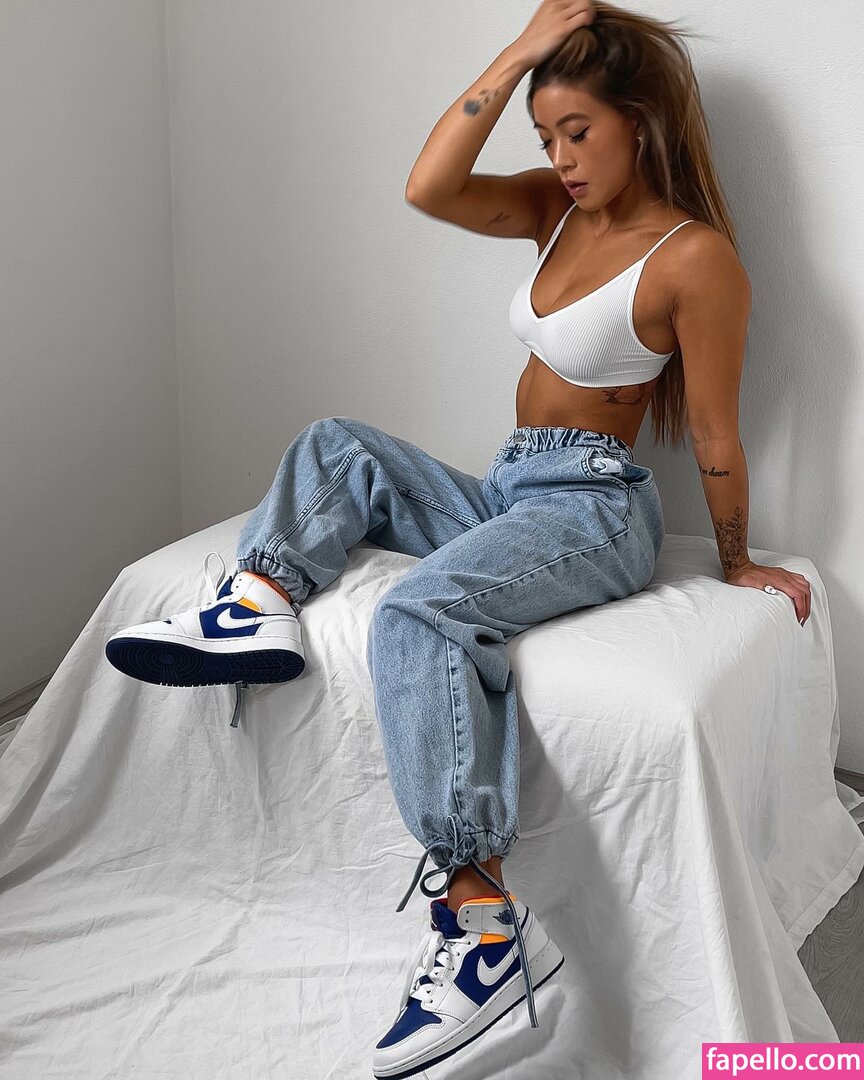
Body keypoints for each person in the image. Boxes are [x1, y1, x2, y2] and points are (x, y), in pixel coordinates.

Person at [105, 2, 813, 1075]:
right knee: (337, 444)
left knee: (420, 610)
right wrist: (518, 54)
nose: (561, 156)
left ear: (640, 120)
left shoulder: (694, 257)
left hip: (593, 506)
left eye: (579, 130)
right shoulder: (554, 212)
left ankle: (482, 920)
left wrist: (738, 559)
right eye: (546, 135)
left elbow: (715, 430)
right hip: (513, 483)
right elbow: (428, 186)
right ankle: (257, 605)